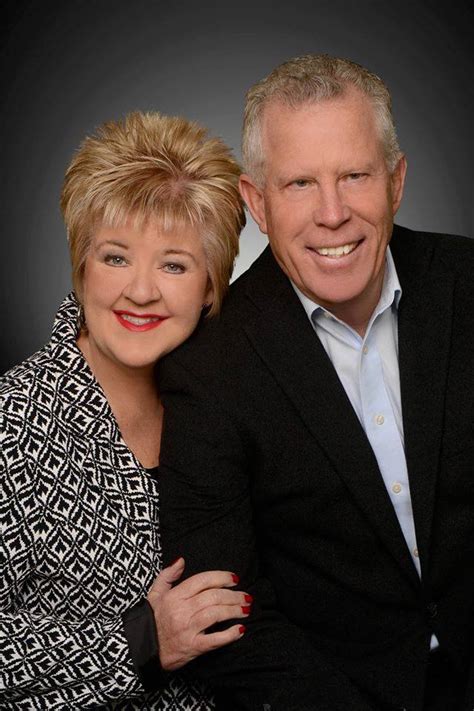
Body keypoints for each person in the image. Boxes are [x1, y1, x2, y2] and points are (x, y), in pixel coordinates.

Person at [157, 55, 474, 710]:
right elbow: (230, 617)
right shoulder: (208, 369)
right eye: (300, 183)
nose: (333, 213)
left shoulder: (467, 284)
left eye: (355, 175)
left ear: (396, 181)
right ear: (257, 203)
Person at [0, 110, 248, 709]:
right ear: (81, 266)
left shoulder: (228, 406)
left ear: (210, 286)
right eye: (115, 257)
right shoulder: (14, 422)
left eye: (173, 264)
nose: (140, 290)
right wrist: (139, 643)